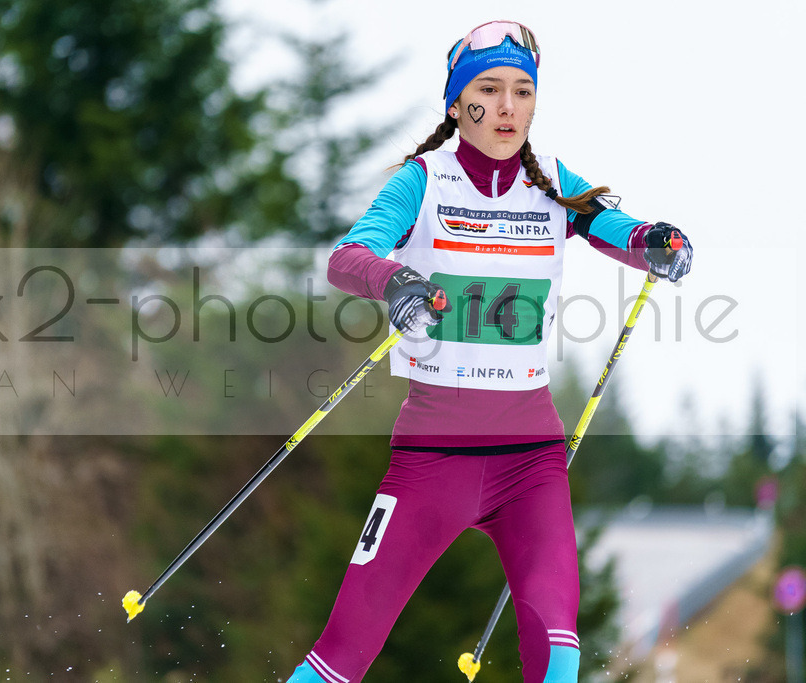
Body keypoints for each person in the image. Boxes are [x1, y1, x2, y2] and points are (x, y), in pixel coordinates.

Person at [285, 19, 692, 683]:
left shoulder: (553, 182)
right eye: (488, 90)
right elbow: (347, 257)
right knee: (340, 659)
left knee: (558, 655)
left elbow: (621, 230)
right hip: (433, 459)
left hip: (531, 462)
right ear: (456, 104)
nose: (507, 107)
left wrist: (658, 242)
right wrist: (395, 281)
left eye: (522, 92)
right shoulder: (423, 181)